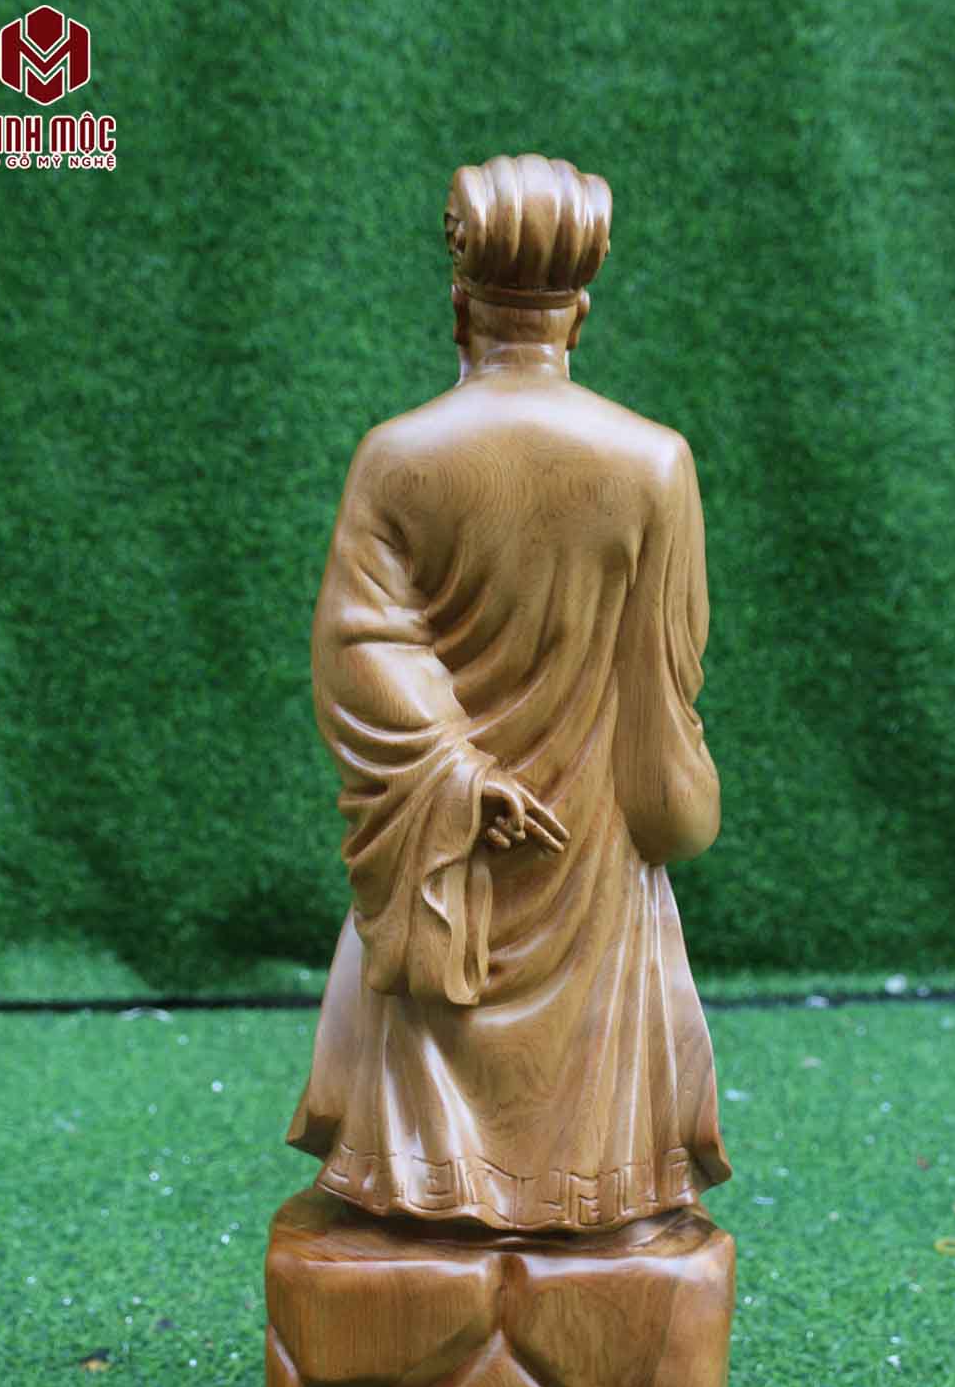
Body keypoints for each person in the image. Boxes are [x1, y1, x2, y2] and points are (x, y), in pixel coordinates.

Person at [287, 154, 730, 1231]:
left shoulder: (397, 457)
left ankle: (422, 1185)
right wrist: (667, 804)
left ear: (459, 305)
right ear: (578, 313)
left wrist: (454, 771)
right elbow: (665, 676)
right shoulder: (653, 464)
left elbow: (360, 644)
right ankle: (589, 1196)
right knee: (587, 1074)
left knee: (430, 1007)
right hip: (589, 849)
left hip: (444, 853)